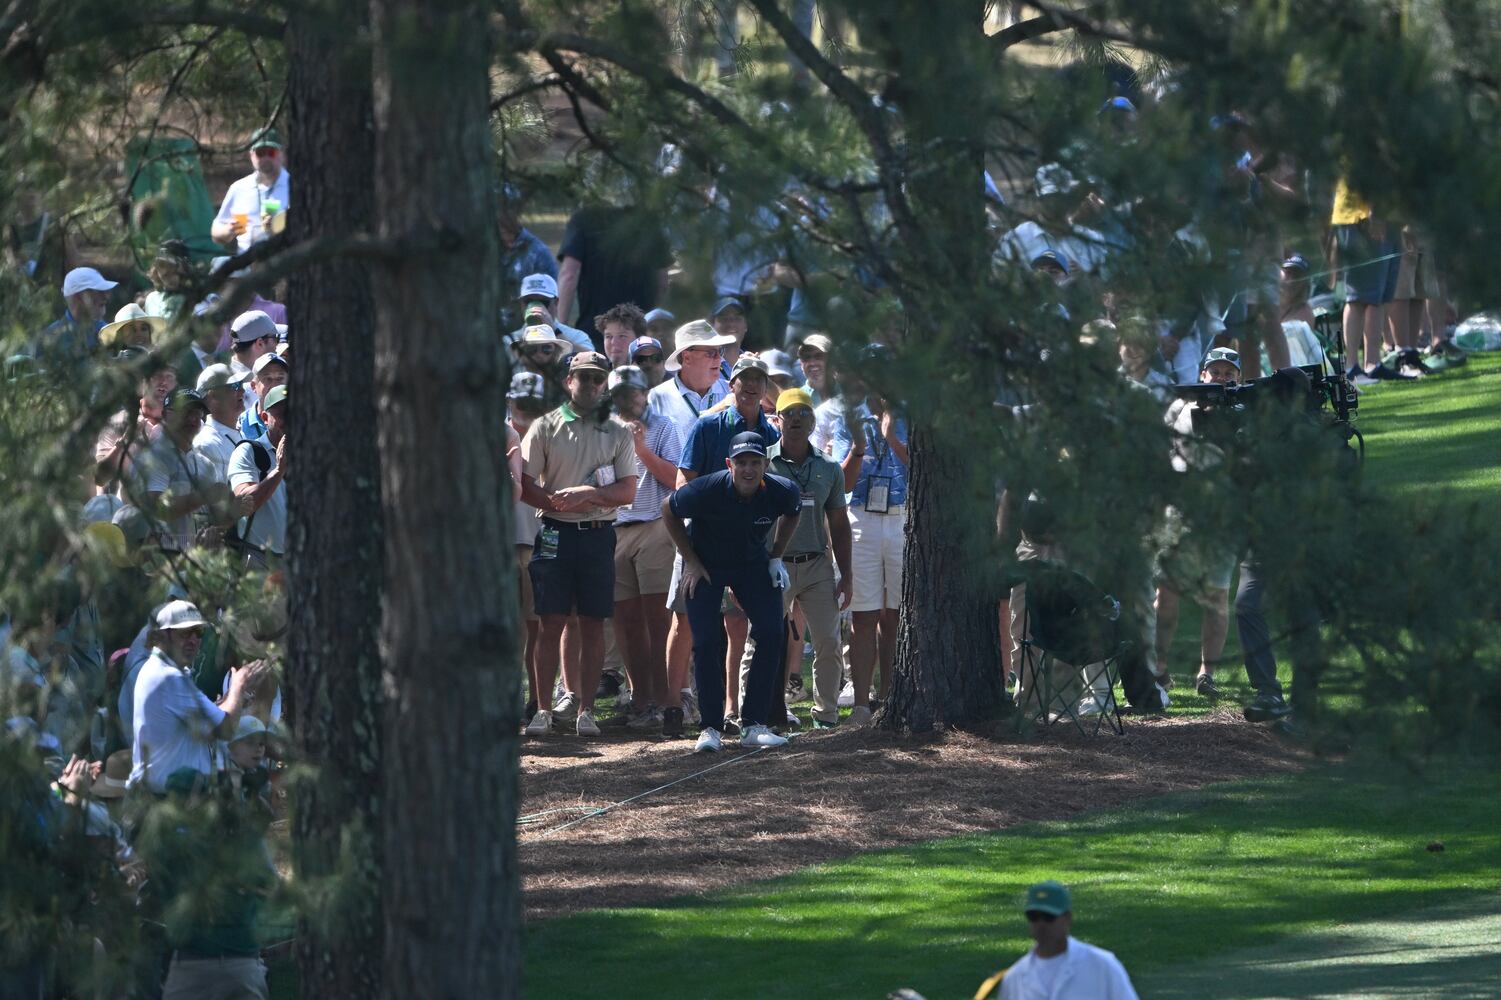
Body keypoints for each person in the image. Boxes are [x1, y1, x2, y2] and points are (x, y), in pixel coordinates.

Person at [521, 352, 639, 737]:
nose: (589, 385)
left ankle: (586, 710)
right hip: (554, 533)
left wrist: (589, 494)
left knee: (592, 622)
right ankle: (542, 709)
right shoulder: (545, 426)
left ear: (604, 384)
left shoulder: (618, 431)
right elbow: (524, 484)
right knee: (549, 620)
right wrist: (558, 503)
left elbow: (627, 490)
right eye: (583, 377)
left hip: (597, 534)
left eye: (596, 379)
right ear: (568, 379)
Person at [663, 432, 801, 752]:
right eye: (741, 463)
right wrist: (691, 561)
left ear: (766, 464)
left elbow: (794, 511)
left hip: (752, 565)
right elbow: (668, 509)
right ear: (730, 464)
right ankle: (710, 727)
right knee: (707, 640)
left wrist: (777, 555)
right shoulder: (706, 489)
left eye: (755, 462)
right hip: (707, 567)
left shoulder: (782, 489)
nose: (749, 469)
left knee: (771, 631)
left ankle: (753, 724)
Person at [749, 388, 852, 728]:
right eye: (788, 413)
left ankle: (827, 714)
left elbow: (838, 522)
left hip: (816, 564)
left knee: (827, 640)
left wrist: (846, 574)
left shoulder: (829, 468)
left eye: (803, 413)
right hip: (773, 565)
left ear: (813, 422)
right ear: (777, 420)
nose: (796, 419)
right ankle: (756, 713)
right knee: (763, 639)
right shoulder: (761, 462)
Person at [822, 355, 909, 723]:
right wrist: (860, 446)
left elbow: (921, 468)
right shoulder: (848, 415)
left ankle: (889, 701)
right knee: (864, 616)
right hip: (861, 518)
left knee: (896, 617)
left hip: (903, 516)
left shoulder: (909, 413)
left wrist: (890, 434)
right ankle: (861, 704)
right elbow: (845, 482)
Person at [1157, 347, 1241, 699]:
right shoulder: (1179, 408)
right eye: (1215, 372)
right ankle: (1158, 670)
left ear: (1237, 378)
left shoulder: (1243, 412)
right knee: (1167, 594)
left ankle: (1207, 674)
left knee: (1217, 595)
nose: (1220, 378)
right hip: (1180, 511)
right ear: (1203, 374)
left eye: (1228, 373)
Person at [607, 366, 682, 733]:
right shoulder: (600, 429)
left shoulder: (664, 426)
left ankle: (668, 701)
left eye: (634, 390)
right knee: (625, 620)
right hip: (614, 527)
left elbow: (675, 478)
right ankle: (640, 700)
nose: (629, 398)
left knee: (658, 619)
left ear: (645, 392)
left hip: (655, 524)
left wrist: (639, 448)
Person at [128, 601, 254, 794]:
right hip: (164, 801)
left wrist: (230, 699)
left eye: (199, 632)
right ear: (162, 636)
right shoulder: (169, 677)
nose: (194, 640)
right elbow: (225, 728)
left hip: (166, 799)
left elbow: (202, 723)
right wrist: (238, 685)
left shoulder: (163, 671)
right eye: (185, 633)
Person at [975, 881, 1138, 1000]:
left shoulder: (1102, 966)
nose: (1041, 924)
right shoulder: (1014, 978)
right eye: (1034, 917)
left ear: (1067, 918)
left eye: (1048, 917)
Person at [556, 204, 672, 345]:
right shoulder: (648, 218)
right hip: (640, 331)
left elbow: (569, 275)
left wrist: (560, 328)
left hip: (596, 332)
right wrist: (653, 320)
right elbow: (662, 279)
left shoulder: (585, 219)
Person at [508, 371, 551, 722]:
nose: (525, 408)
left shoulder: (551, 436)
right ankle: (508, 697)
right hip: (500, 543)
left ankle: (538, 701)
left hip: (541, 541)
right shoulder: (492, 435)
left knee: (538, 623)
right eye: (520, 400)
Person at [143, 388, 225, 553]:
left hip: (197, 559)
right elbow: (158, 508)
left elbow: (214, 518)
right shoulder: (155, 456)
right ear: (166, 415)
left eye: (197, 413)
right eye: (185, 412)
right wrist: (205, 495)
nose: (193, 419)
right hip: (162, 557)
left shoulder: (205, 464)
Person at [227, 384, 288, 565]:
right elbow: (244, 503)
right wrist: (279, 470)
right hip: (259, 561)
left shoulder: (313, 454)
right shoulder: (249, 451)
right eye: (281, 414)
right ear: (264, 417)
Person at [212, 126, 291, 252]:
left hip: (285, 263)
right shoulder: (239, 188)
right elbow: (216, 230)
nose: (265, 158)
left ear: (281, 154)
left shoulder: (295, 186)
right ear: (251, 155)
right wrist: (228, 230)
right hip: (246, 265)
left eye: (271, 152)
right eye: (260, 153)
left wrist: (281, 224)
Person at [34, 266, 117, 361]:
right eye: (99, 291)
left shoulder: (107, 332)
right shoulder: (50, 339)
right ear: (78, 297)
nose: (106, 296)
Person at [503, 273, 594, 353]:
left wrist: (554, 331)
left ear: (556, 303)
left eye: (543, 302)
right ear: (521, 304)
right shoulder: (510, 341)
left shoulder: (576, 337)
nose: (535, 307)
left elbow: (593, 363)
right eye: (528, 302)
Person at [192, 364, 252, 481]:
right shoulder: (206, 444)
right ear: (213, 396)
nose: (242, 390)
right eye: (235, 385)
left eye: (241, 384)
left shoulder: (241, 433)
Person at [239, 351, 288, 442]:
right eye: (268, 379)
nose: (275, 385)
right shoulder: (241, 424)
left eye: (280, 378)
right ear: (254, 386)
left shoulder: (300, 417)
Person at [99, 303, 166, 351]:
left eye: (143, 329)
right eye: (132, 330)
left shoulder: (163, 360)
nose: (139, 334)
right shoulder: (114, 366)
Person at [598, 303, 647, 368]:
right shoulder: (597, 376)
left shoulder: (655, 375)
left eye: (622, 336)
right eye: (608, 337)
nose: (613, 342)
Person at [795, 332, 833, 406]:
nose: (812, 363)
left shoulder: (848, 391)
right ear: (801, 364)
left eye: (818, 356)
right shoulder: (797, 400)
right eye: (806, 357)